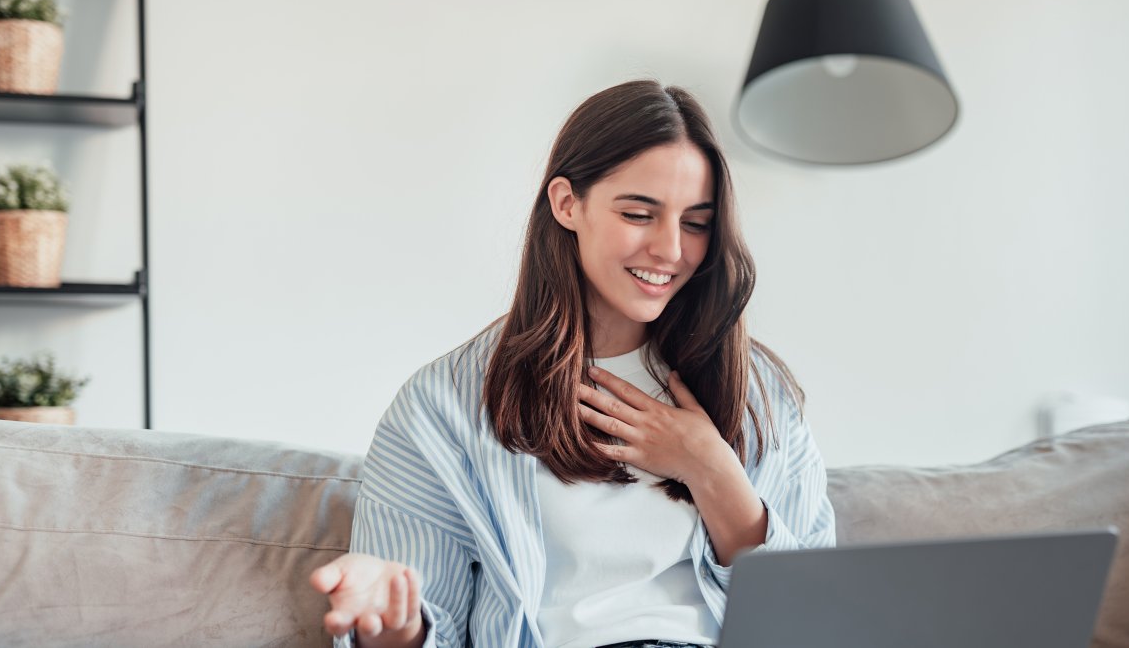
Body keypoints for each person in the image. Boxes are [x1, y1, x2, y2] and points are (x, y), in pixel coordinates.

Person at [309, 79, 836, 648]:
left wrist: (710, 466)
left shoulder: (757, 391)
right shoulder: (443, 406)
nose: (671, 250)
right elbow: (412, 622)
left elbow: (819, 617)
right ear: (567, 204)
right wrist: (396, 625)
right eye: (639, 213)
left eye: (695, 223)